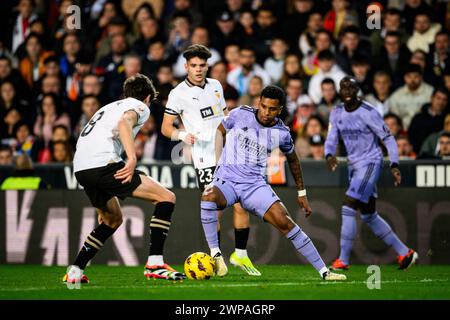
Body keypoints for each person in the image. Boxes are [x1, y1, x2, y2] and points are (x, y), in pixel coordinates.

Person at [200, 85, 346, 281]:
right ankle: (216, 254)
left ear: (280, 109)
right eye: (264, 106)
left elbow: (293, 160)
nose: (267, 112)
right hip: (227, 180)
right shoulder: (240, 113)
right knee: (208, 196)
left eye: (272, 109)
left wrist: (301, 193)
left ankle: (325, 272)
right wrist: (217, 164)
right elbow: (219, 131)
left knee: (286, 222)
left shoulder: (282, 133)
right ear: (259, 103)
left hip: (254, 186)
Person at [64, 73, 185, 284]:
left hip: (82, 169)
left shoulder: (106, 108)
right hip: (103, 164)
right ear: (148, 97)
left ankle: (75, 270)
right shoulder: (140, 106)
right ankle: (155, 264)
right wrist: (131, 158)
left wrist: (99, 193)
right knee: (166, 197)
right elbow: (124, 123)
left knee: (112, 219)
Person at [162, 44, 260, 276]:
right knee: (214, 207)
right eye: (193, 65)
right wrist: (182, 134)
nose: (198, 69)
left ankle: (241, 254)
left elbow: (224, 117)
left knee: (241, 202)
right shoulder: (178, 94)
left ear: (208, 66)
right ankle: (216, 254)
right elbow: (166, 127)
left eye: (202, 65)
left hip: (229, 153)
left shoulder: (216, 85)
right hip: (205, 156)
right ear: (186, 66)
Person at [324, 76, 418, 270]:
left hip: (370, 163)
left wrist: (394, 163)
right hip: (354, 166)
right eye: (344, 88)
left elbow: (388, 138)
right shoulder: (337, 112)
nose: (348, 91)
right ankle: (405, 253)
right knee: (369, 215)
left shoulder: (369, 112)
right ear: (340, 91)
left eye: (351, 87)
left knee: (348, 206)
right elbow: (332, 137)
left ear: (358, 90)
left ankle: (343, 260)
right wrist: (328, 154)